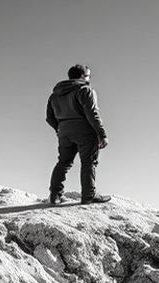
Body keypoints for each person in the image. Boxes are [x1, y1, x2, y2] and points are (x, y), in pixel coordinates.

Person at [46, 64, 110, 205]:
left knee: (63, 163)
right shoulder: (85, 90)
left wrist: (60, 129)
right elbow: (92, 114)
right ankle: (88, 196)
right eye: (88, 76)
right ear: (82, 76)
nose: (89, 79)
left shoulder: (55, 95)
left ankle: (55, 196)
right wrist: (102, 134)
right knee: (89, 163)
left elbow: (49, 118)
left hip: (64, 133)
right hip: (85, 132)